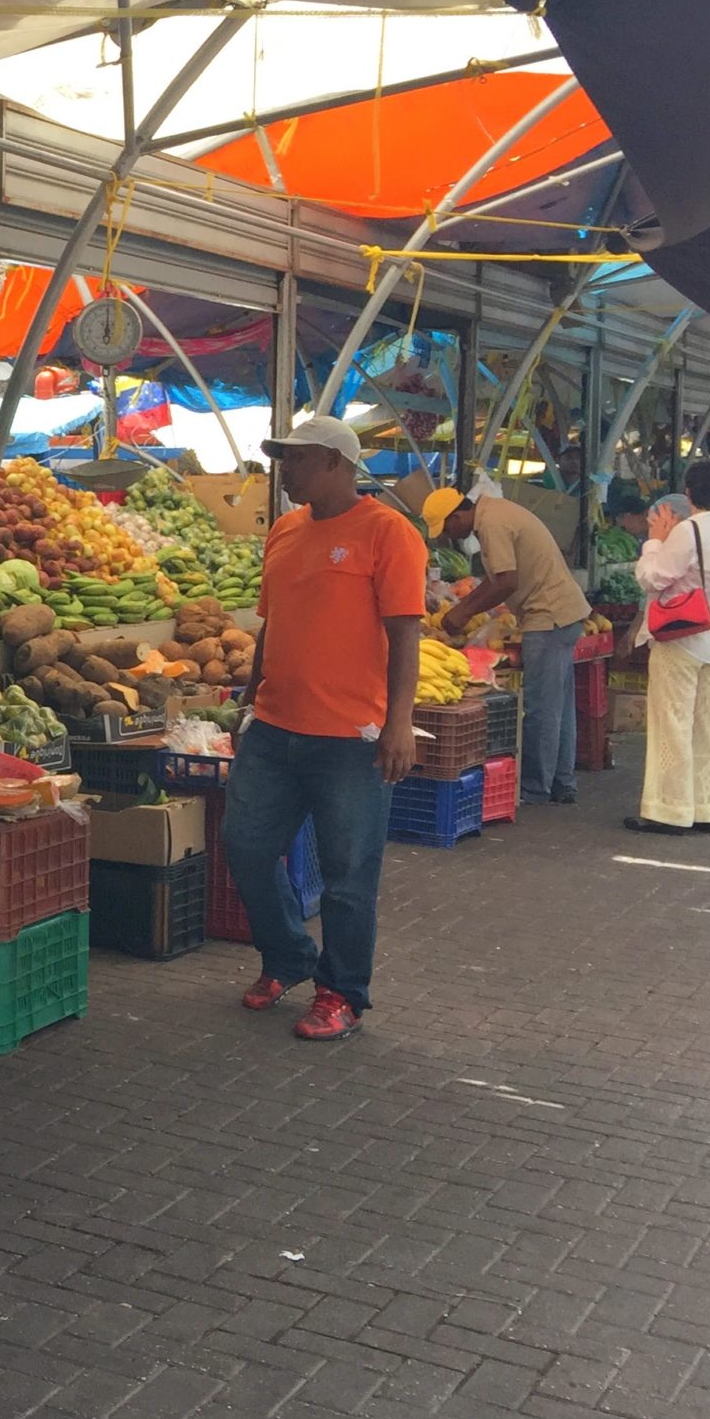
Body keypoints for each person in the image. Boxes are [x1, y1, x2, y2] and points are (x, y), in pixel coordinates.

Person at [225, 415, 426, 1043]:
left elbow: (404, 635)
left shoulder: (389, 533)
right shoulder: (283, 531)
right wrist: (251, 698)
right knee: (246, 847)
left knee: (347, 876)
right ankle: (287, 957)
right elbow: (272, 622)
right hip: (275, 727)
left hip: (352, 739)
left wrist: (399, 724)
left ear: (337, 464)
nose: (286, 469)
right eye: (283, 458)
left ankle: (342, 993)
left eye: (298, 459)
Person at [422, 485, 589, 804]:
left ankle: (535, 788)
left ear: (458, 514)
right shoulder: (495, 512)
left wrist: (461, 613)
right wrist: (464, 606)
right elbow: (499, 578)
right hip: (562, 614)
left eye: (449, 527)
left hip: (548, 615)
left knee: (541, 706)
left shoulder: (491, 523)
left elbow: (506, 582)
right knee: (559, 705)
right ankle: (562, 781)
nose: (451, 535)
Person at [626, 462, 710, 836]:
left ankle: (669, 809)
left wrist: (654, 542)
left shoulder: (690, 530)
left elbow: (652, 578)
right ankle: (709, 807)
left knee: (672, 722)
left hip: (682, 635)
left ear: (690, 492)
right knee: (707, 724)